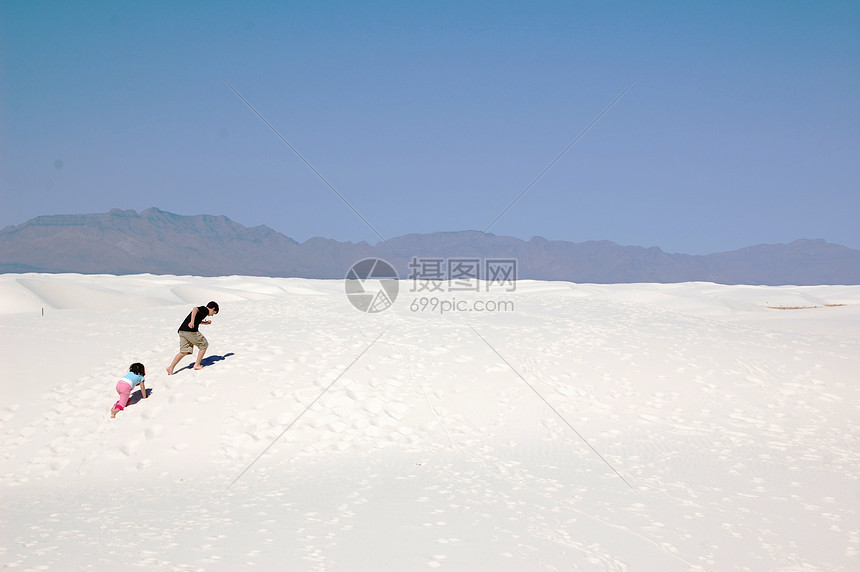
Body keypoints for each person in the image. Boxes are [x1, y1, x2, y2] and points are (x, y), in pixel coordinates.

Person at [166, 301, 219, 375]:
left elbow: (197, 320)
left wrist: (205, 323)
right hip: (190, 331)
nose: (212, 315)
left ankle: (170, 367)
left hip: (182, 330)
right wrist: (192, 322)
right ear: (213, 308)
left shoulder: (203, 312)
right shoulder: (205, 309)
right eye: (214, 313)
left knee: (184, 351)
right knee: (204, 344)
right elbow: (195, 309)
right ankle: (197, 364)